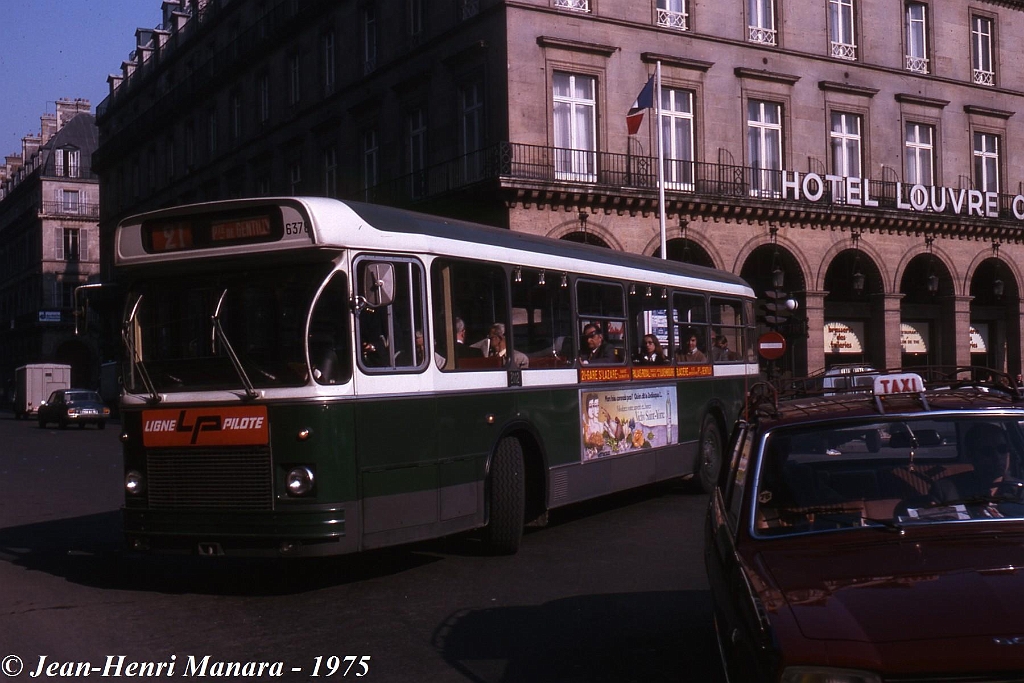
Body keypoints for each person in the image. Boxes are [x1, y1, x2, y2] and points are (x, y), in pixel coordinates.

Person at [932, 423, 1023, 506]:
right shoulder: (946, 490)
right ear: (971, 455)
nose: (997, 457)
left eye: (1002, 449)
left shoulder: (1020, 489)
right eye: (987, 451)